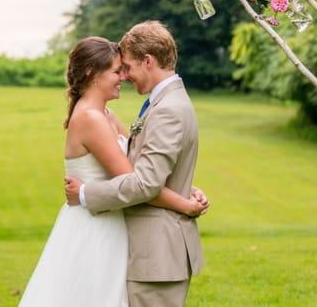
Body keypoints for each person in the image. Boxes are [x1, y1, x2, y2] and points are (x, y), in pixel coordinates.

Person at [19, 36, 206, 307]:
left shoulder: (105, 114)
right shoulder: (91, 119)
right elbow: (138, 182)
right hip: (96, 227)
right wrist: (185, 205)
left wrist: (186, 188)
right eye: (117, 71)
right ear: (91, 73)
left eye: (124, 69)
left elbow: (144, 172)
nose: (123, 77)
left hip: (114, 221)